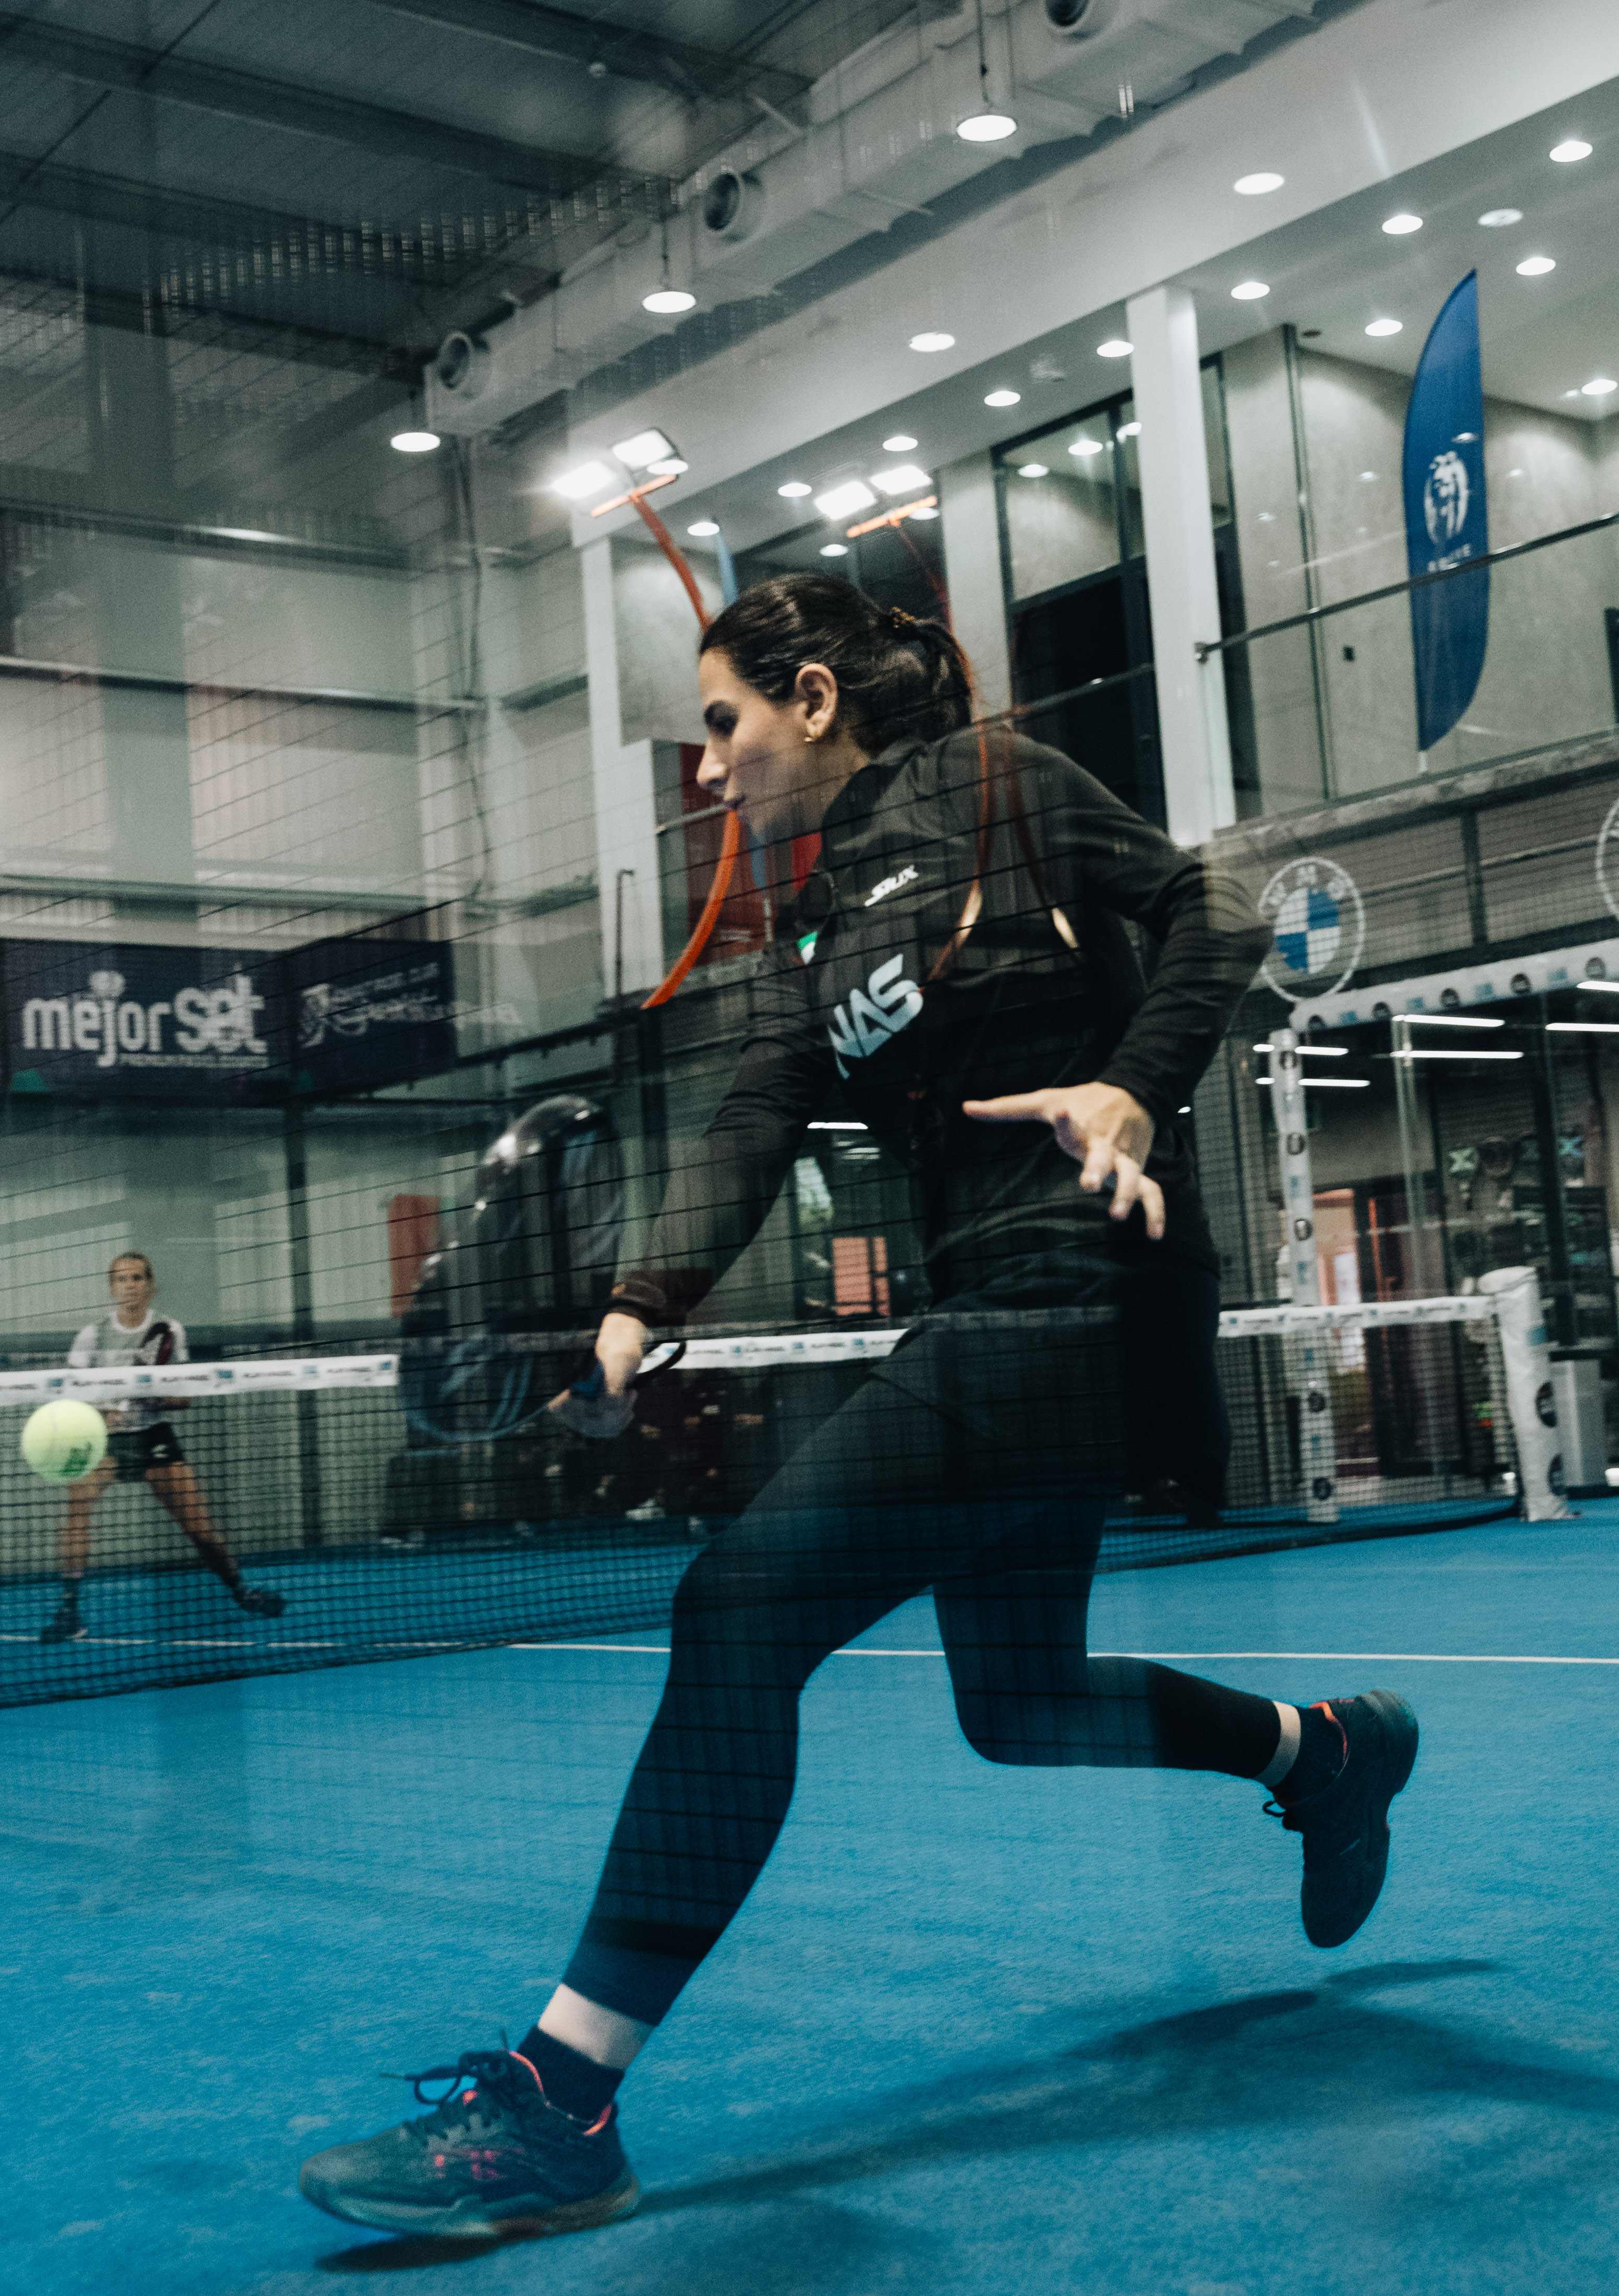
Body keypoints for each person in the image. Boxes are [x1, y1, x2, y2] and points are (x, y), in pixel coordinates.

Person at [299, 576, 1417, 2241]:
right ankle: (1323, 1750)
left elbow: (1215, 913)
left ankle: (559, 2101)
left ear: (812, 700)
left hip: (1077, 1293)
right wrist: (636, 1307)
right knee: (1017, 1701)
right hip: (996, 1310)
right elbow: (755, 1114)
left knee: (736, 1609)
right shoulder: (817, 916)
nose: (706, 769)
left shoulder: (999, 784)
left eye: (723, 724)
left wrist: (1132, 1084)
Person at [39, 1252, 285, 1643]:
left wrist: (155, 1399)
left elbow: (183, 1398)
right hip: (106, 1441)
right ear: (112, 1288)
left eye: (137, 1278)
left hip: (154, 1438)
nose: (129, 1286)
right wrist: (100, 1413)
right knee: (77, 1507)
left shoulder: (169, 1330)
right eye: (121, 1279)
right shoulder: (92, 1336)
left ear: (150, 1285)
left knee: (200, 1529)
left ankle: (241, 1590)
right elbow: (71, 1393)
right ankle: (69, 1610)